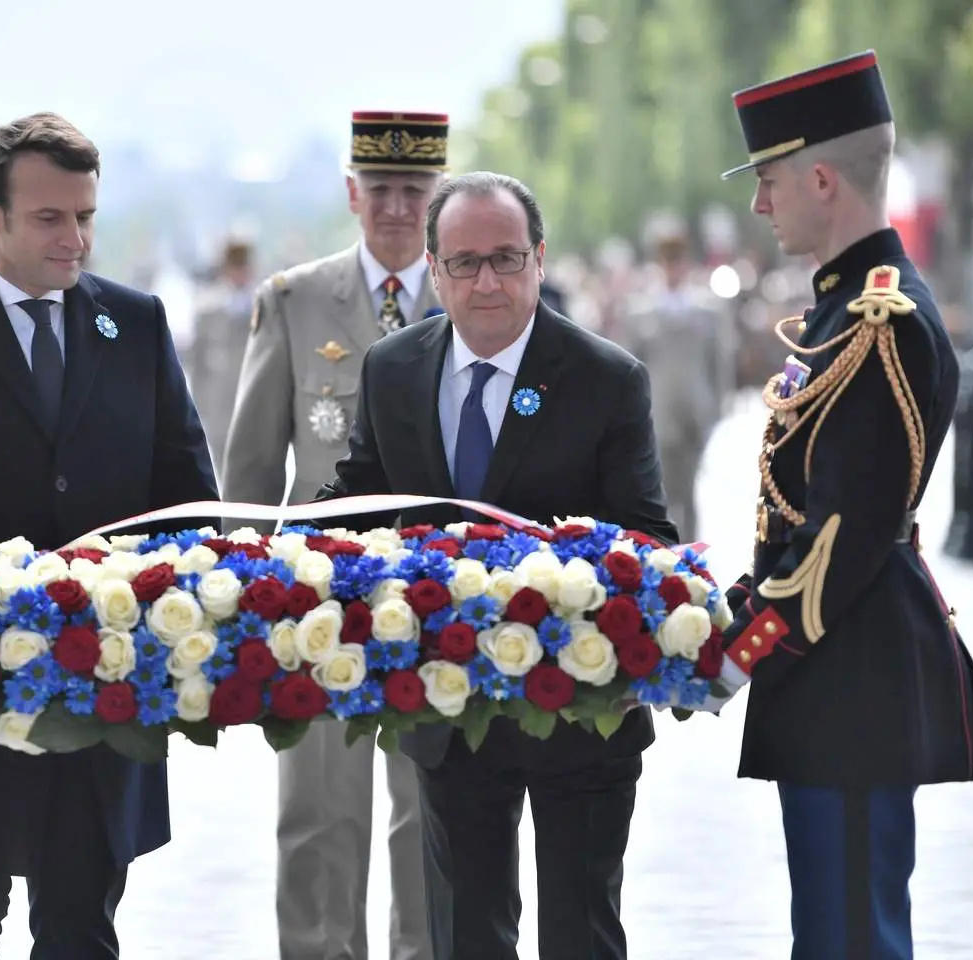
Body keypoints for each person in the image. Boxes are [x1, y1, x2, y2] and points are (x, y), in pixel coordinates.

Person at [0, 111, 217, 960]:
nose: (75, 239)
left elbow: (188, 497)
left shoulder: (134, 325)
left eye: (86, 216)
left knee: (80, 928)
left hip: (106, 680)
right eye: (50, 218)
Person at [316, 170, 678, 960]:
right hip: (449, 706)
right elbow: (364, 496)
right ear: (434, 271)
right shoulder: (392, 368)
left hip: (582, 706)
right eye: (466, 262)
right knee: (466, 937)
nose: (487, 282)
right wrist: (290, 551)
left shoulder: (606, 377)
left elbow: (646, 536)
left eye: (507, 259)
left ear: (540, 260)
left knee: (580, 935)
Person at [709, 50, 973, 958]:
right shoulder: (847, 310)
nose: (761, 204)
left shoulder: (884, 322)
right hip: (837, 679)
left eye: (768, 181)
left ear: (819, 177)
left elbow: (835, 545)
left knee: (850, 937)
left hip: (850, 678)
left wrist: (735, 655)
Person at [221, 110, 449, 960]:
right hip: (319, 601)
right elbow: (249, 469)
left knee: (433, 809)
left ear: (438, 196)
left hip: (444, 595)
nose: (397, 208)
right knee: (319, 812)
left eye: (414, 191)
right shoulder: (294, 300)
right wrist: (242, 592)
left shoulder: (473, 294)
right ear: (352, 194)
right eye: (381, 190)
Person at [619, 232, 733, 540]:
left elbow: (720, 364)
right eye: (667, 262)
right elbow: (628, 367)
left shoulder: (707, 310)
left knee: (691, 490)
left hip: (695, 414)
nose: (673, 268)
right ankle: (667, 559)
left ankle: (692, 556)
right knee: (662, 493)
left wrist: (719, 406)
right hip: (657, 415)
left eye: (678, 261)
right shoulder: (641, 312)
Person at [185, 234, 257, 473]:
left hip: (254, 399)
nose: (240, 273)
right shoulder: (208, 307)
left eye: (243, 266)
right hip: (220, 402)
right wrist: (199, 405)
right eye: (235, 266)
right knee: (224, 468)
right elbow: (197, 361)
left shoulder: (263, 303)